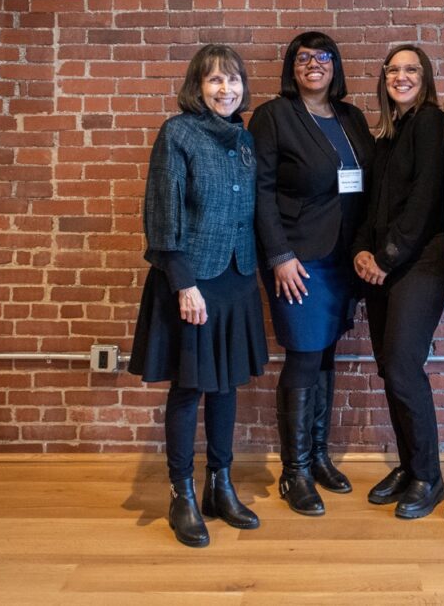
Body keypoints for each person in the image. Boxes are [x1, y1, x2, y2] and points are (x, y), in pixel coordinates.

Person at [128, 44, 269, 548]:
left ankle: (220, 485)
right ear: (197, 87)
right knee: (189, 388)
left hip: (236, 275)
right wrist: (183, 282)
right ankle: (181, 494)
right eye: (214, 81)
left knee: (227, 385)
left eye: (232, 81)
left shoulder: (244, 138)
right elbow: (162, 213)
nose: (225, 90)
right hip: (193, 278)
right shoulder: (177, 133)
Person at [251, 31, 374, 516]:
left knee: (325, 355)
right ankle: (294, 472)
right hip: (297, 261)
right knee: (303, 356)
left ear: (335, 66)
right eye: (303, 58)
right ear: (291, 67)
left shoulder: (351, 118)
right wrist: (279, 255)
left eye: (323, 56)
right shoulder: (273, 116)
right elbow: (258, 191)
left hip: (344, 260)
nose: (313, 64)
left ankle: (318, 456)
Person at [353, 45, 444, 519]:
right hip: (381, 267)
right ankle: (410, 467)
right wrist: (361, 251)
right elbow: (373, 208)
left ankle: (429, 477)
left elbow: (425, 203)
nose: (402, 76)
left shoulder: (431, 123)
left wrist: (386, 258)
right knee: (391, 368)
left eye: (412, 70)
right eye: (394, 70)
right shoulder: (387, 135)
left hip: (420, 264)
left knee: (404, 365)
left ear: (426, 77)